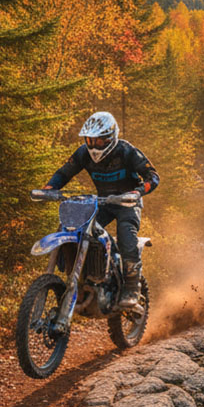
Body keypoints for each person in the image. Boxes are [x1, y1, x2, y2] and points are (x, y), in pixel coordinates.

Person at [42, 111, 159, 309]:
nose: (94, 145)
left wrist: (137, 192)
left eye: (100, 141)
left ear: (111, 138)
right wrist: (49, 189)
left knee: (126, 236)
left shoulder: (126, 151)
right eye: (90, 140)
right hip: (102, 203)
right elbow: (63, 173)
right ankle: (81, 276)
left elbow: (153, 176)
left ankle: (131, 288)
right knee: (74, 227)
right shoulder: (83, 153)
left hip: (127, 203)